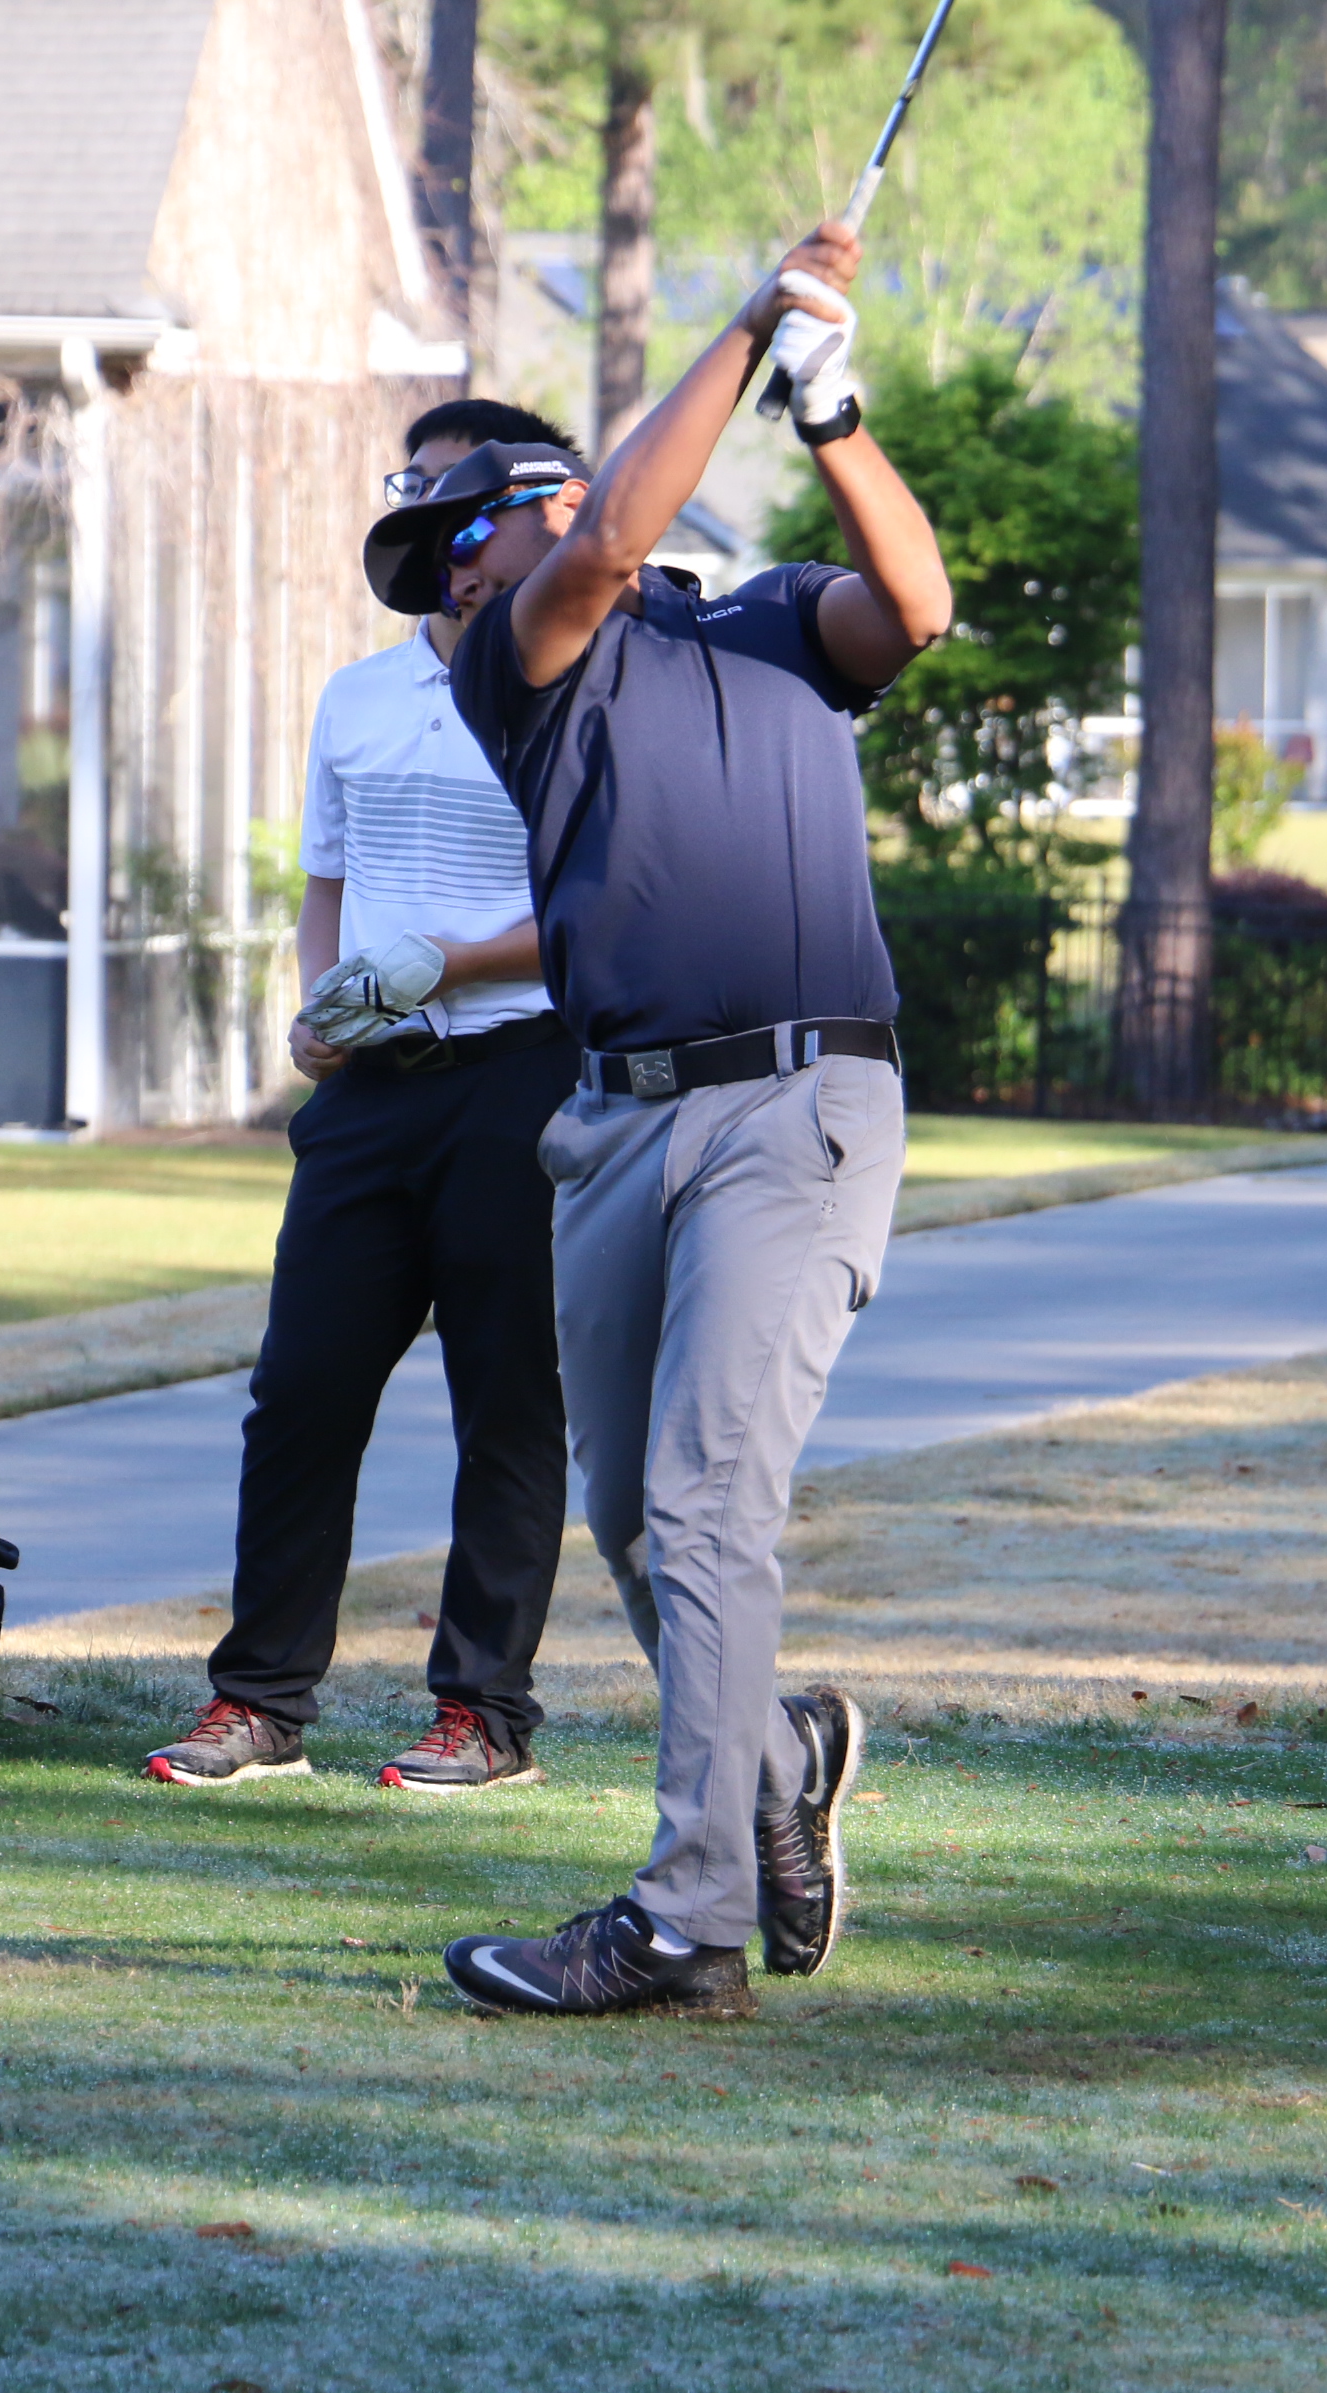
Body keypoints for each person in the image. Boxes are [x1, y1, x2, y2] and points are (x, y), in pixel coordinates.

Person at [369, 224, 951, 2015]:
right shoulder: (517, 667)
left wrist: (831, 411)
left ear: (531, 501)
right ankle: (778, 1755)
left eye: (453, 540)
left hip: (799, 1106)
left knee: (703, 1507)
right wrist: (752, 322)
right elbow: (615, 539)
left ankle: (690, 1920)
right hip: (617, 1131)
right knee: (632, 1515)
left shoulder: (775, 622)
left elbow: (916, 605)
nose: (444, 585)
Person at [141, 399, 584, 1795]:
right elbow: (327, 884)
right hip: (370, 1095)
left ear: (530, 515)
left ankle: (483, 1716)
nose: (437, 526)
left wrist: (452, 962)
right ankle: (260, 1702)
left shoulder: (577, 692)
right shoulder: (358, 695)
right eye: (417, 492)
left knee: (507, 1408)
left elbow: (595, 911)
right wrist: (320, 1003)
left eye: (462, 498)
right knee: (301, 1395)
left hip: (520, 1075)